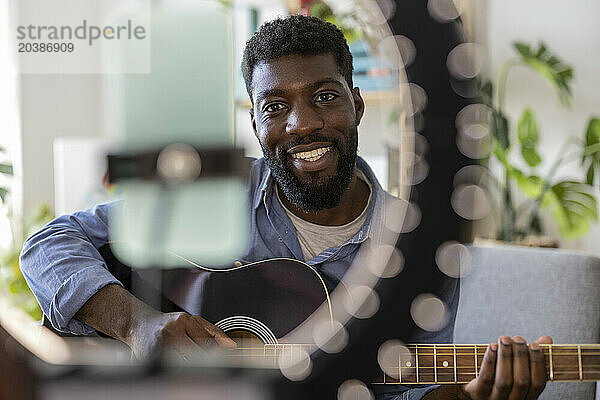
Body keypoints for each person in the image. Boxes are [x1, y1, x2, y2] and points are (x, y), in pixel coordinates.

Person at [20, 15, 551, 400]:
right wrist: (136, 324)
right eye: (275, 107)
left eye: (324, 96)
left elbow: (411, 393)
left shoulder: (415, 253)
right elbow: (48, 244)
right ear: (255, 124)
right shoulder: (214, 196)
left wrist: (472, 397)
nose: (301, 125)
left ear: (356, 105)